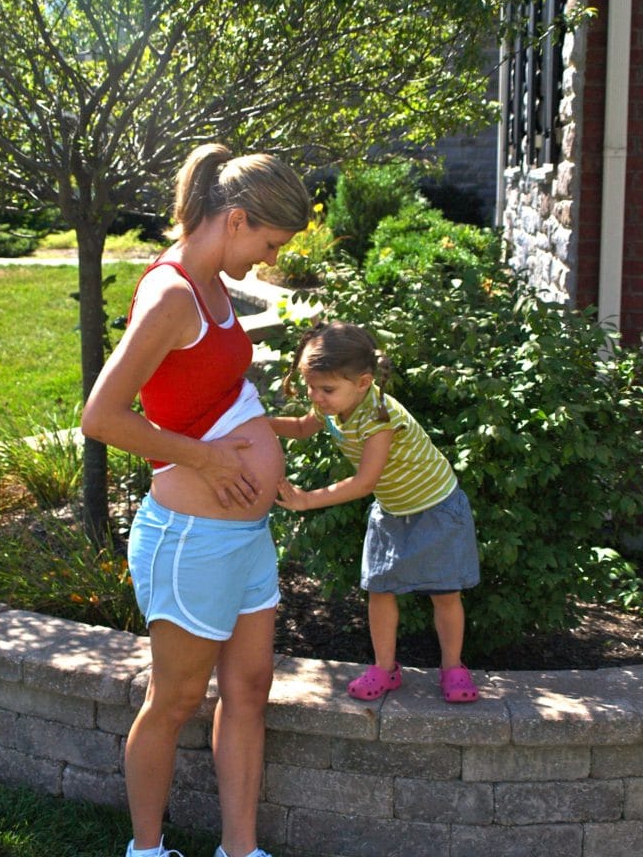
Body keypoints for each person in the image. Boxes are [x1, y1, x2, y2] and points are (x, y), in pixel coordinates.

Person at [81, 143, 310, 857]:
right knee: (175, 700)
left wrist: (268, 432)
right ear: (237, 219)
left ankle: (239, 849)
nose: (268, 261)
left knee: (248, 691)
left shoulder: (211, 286)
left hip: (242, 541)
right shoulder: (173, 293)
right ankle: (145, 851)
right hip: (190, 538)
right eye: (268, 244)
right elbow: (102, 416)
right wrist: (213, 458)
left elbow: (202, 398)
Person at [269, 321, 480, 704]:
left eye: (326, 389)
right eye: (311, 388)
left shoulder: (380, 417)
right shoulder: (334, 404)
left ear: (363, 382)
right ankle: (385, 668)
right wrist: (254, 423)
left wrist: (306, 499)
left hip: (436, 507)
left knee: (445, 594)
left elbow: (364, 483)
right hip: (394, 510)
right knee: (380, 591)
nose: (316, 397)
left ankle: (453, 667)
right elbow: (300, 428)